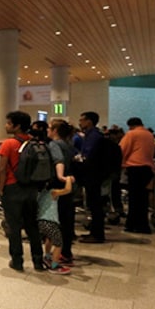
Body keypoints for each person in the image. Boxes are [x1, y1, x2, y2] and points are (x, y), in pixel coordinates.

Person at [0, 111, 44, 272]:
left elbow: (2, 169)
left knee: (14, 227)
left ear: (17, 126)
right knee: (32, 226)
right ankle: (38, 260)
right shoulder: (34, 142)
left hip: (12, 188)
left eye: (9, 123)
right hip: (31, 189)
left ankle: (17, 261)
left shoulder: (8, 143)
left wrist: (1, 188)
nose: (6, 126)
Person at [119, 117, 155, 234]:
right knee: (143, 199)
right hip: (147, 168)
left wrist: (121, 164)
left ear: (131, 126)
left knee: (134, 199)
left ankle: (132, 224)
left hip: (135, 168)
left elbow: (122, 149)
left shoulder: (132, 134)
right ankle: (143, 225)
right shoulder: (149, 135)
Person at [48, 119, 77, 265]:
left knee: (55, 221)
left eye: (49, 128)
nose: (47, 130)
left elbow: (58, 160)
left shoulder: (54, 144)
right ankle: (66, 252)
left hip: (58, 185)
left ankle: (58, 254)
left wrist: (60, 176)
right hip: (70, 184)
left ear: (55, 131)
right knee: (67, 219)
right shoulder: (69, 144)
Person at [76, 111, 107, 243]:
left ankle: (97, 234)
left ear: (89, 121)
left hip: (93, 173)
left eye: (82, 120)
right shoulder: (92, 135)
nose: (80, 122)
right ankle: (94, 232)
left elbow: (87, 155)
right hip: (93, 173)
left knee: (95, 204)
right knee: (94, 203)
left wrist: (78, 159)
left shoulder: (93, 136)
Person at [38, 176, 74, 274]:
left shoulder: (41, 193)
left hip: (41, 221)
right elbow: (67, 190)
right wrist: (68, 179)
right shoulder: (53, 192)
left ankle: (47, 257)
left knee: (49, 238)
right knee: (59, 243)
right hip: (50, 222)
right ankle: (54, 266)